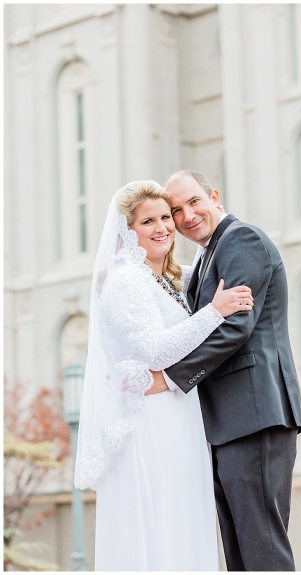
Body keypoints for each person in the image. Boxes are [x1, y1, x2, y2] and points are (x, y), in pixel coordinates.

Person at [74, 181, 255, 570]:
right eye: (148, 221)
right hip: (149, 424)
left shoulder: (160, 278)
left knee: (182, 526)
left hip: (175, 420)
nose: (163, 227)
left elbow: (203, 272)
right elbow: (155, 350)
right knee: (160, 530)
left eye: (165, 217)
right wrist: (215, 311)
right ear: (128, 231)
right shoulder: (128, 280)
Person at [158, 170, 301, 571]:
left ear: (214, 197)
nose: (187, 216)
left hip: (255, 416)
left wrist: (171, 378)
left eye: (194, 202)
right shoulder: (206, 256)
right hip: (227, 424)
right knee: (241, 555)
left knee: (262, 550)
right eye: (176, 211)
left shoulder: (242, 240)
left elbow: (235, 326)